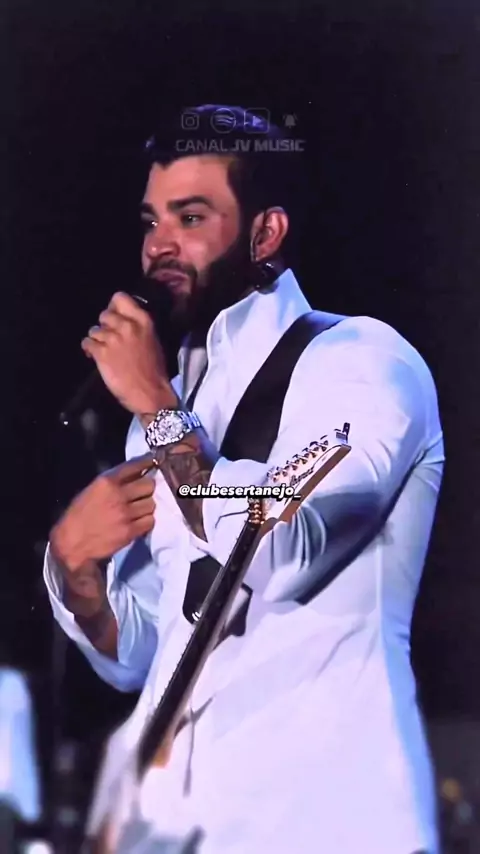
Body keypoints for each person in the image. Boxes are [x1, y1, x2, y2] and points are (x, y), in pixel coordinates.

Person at [44, 105, 444, 854]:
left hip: (319, 822)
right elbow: (141, 653)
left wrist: (159, 411)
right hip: (169, 830)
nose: (159, 244)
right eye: (151, 219)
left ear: (266, 234)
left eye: (191, 217)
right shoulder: (170, 403)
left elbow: (286, 553)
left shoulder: (359, 360)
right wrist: (76, 572)